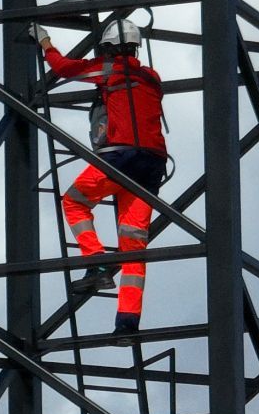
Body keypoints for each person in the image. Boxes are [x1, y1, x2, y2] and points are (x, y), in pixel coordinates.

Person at [35, 18, 167, 335]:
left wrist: (44, 41)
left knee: (74, 201)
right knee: (133, 247)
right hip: (153, 163)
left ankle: (94, 262)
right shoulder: (152, 76)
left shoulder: (107, 70)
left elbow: (64, 68)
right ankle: (127, 324)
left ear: (107, 49)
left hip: (121, 157)